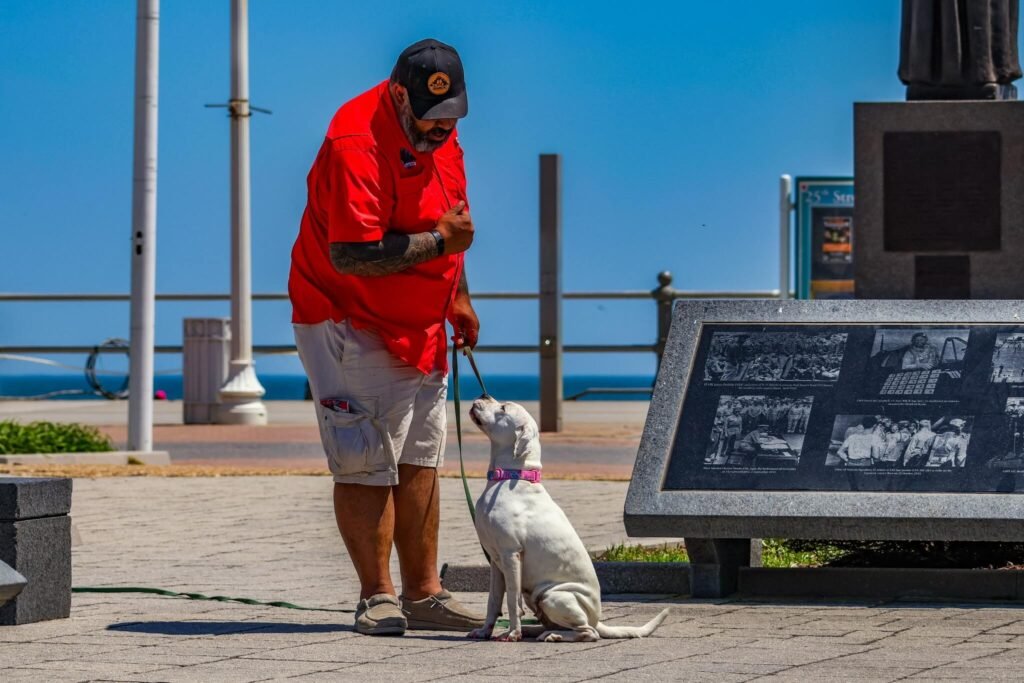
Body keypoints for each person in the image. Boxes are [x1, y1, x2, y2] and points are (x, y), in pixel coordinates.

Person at [288, 39, 484, 636]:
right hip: (350, 317)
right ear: (399, 93)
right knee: (365, 460)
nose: (437, 129)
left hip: (420, 328)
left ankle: (425, 595)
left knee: (420, 457)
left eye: (449, 118)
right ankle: (377, 596)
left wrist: (458, 295)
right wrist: (439, 246)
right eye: (427, 115)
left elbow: (454, 217)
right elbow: (352, 255)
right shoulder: (356, 141)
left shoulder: (444, 136)